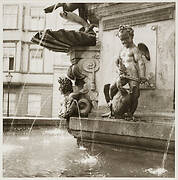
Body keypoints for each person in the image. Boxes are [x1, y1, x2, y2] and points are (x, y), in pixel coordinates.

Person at [103, 25, 147, 119]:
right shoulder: (122, 50)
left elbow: (141, 63)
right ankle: (112, 108)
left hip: (133, 74)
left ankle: (130, 113)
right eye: (121, 40)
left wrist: (142, 76)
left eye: (126, 38)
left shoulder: (135, 49)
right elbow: (119, 62)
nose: (124, 41)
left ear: (131, 36)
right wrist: (118, 66)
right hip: (123, 74)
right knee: (112, 88)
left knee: (135, 94)